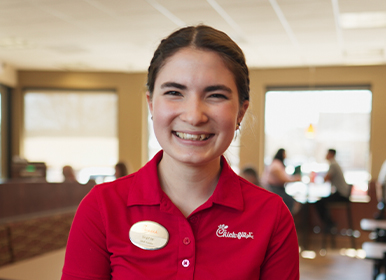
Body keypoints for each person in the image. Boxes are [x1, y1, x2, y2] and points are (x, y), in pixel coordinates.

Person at [61, 25, 299, 279]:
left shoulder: (271, 215)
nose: (194, 116)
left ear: (241, 111)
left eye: (215, 95)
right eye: (174, 93)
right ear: (151, 103)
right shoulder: (102, 207)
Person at [314, 149, 351, 231]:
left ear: (331, 154)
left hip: (342, 195)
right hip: (341, 193)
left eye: (327, 153)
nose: (325, 155)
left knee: (319, 203)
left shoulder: (333, 164)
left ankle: (329, 224)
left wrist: (315, 178)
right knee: (321, 201)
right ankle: (329, 223)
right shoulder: (334, 164)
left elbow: (326, 178)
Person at [262, 148, 301, 214]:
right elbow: (282, 179)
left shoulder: (278, 164)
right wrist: (294, 179)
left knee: (293, 201)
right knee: (290, 201)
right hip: (274, 189)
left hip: (278, 188)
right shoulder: (276, 164)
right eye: (285, 154)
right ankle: (287, 218)